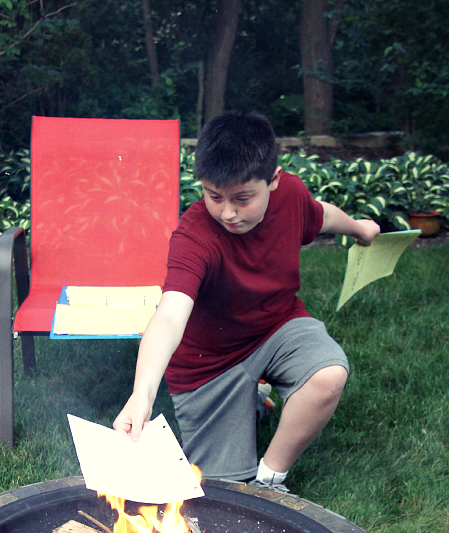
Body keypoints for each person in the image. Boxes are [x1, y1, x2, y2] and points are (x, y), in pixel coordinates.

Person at [114, 110, 379, 489]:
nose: (228, 212)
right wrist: (142, 395)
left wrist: (359, 228)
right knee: (222, 488)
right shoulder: (194, 235)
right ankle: (251, 398)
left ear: (273, 180)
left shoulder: (290, 194)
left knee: (327, 374)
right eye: (214, 196)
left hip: (275, 326)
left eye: (242, 198)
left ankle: (271, 479)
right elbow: (170, 317)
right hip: (209, 365)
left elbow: (319, 216)